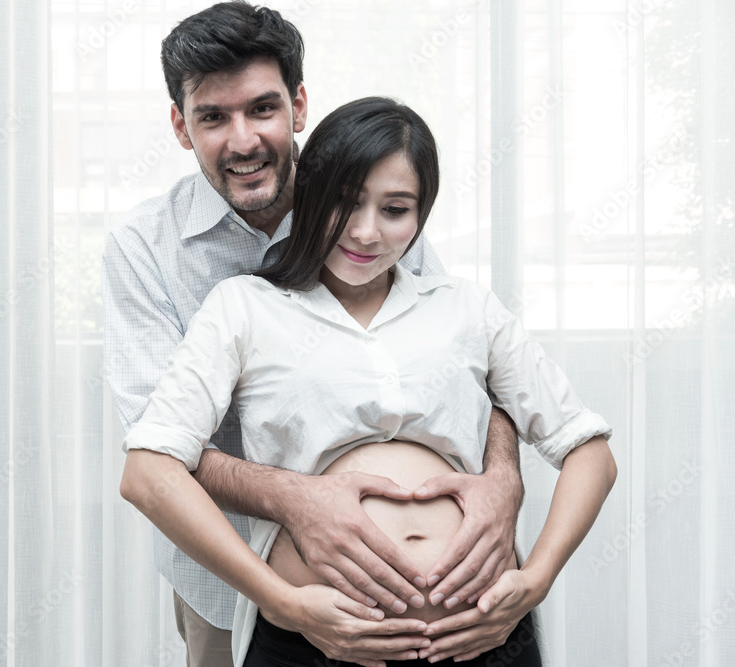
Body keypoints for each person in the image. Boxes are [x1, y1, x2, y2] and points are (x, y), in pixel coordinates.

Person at [119, 96, 617, 667]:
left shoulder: (467, 308)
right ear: (310, 195)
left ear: (421, 215)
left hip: (482, 637)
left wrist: (537, 579)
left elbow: (589, 451)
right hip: (313, 644)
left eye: (395, 209)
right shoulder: (245, 307)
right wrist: (281, 602)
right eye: (346, 202)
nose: (365, 232)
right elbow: (147, 472)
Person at [102, 3, 525, 665]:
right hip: (228, 583)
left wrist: (504, 479)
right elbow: (157, 451)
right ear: (181, 127)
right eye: (213, 117)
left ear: (298, 106)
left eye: (262, 108)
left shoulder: (371, 211)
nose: (243, 140)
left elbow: (475, 366)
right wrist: (298, 503)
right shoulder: (144, 249)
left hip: (445, 605)